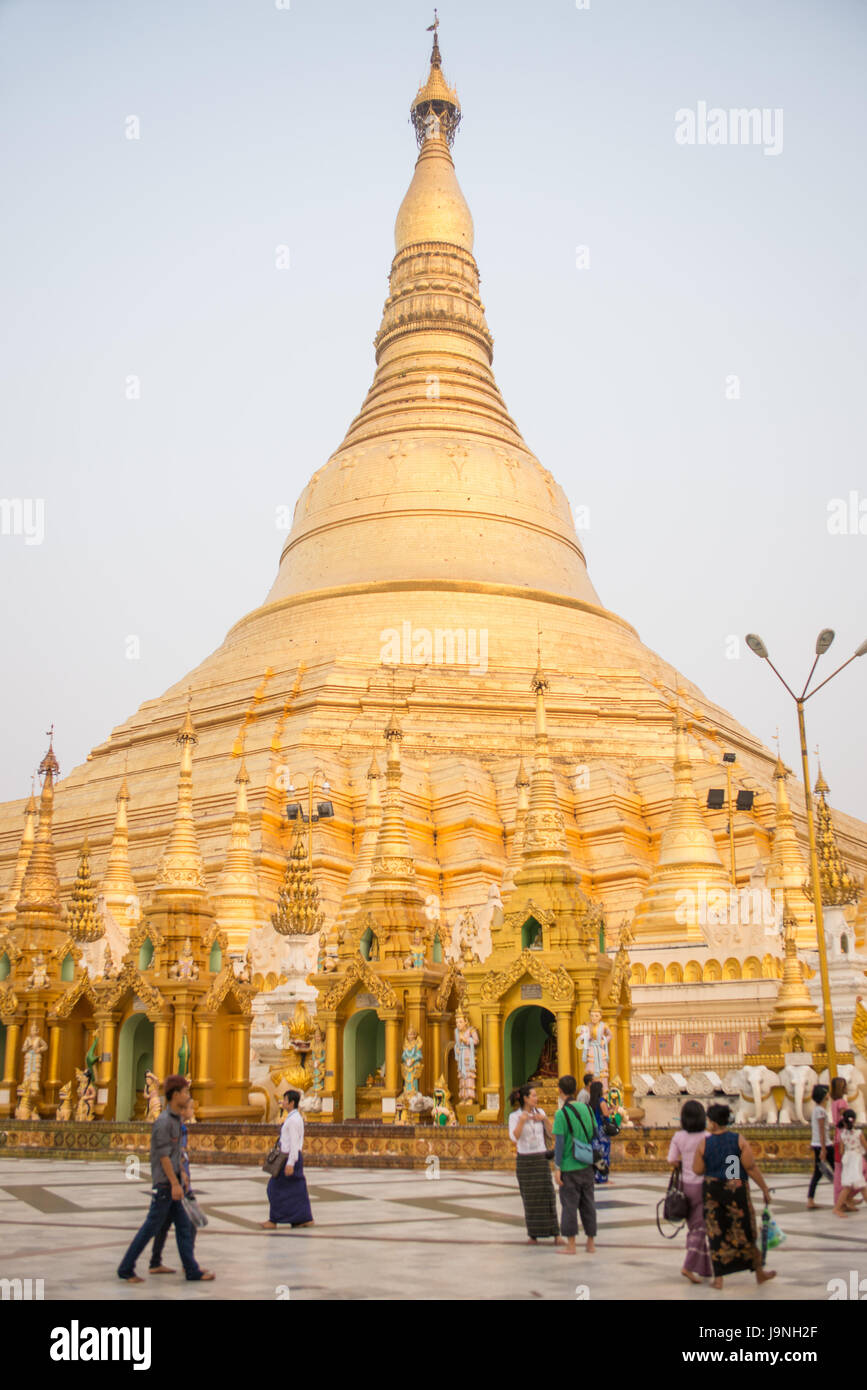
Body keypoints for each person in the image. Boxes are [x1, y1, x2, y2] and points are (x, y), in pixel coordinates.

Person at [117, 1075, 213, 1283]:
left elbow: (175, 1153)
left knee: (184, 1228)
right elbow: (163, 1156)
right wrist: (175, 1183)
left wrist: (183, 1173)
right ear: (176, 1095)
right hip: (164, 1186)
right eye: (186, 1092)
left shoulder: (176, 1120)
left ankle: (190, 1269)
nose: (188, 1096)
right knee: (150, 1228)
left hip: (173, 1183)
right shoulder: (163, 1122)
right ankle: (126, 1268)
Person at [693, 1102, 776, 1290]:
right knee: (746, 1230)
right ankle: (759, 1272)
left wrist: (713, 1164)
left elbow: (697, 1170)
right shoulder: (738, 1140)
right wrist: (764, 1189)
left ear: (713, 1123)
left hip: (713, 1192)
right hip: (736, 1191)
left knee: (716, 1232)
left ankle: (719, 1278)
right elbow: (751, 1167)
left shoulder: (704, 1143)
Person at [508, 1084, 561, 1245]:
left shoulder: (541, 1113)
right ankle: (533, 1234)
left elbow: (552, 1134)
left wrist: (544, 1119)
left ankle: (556, 1234)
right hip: (525, 1159)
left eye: (536, 1095)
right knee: (529, 1198)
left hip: (540, 1157)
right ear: (525, 1098)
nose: (536, 1098)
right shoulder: (515, 1116)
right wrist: (522, 1121)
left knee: (548, 1195)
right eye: (533, 1095)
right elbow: (514, 1137)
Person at [149, 1093, 195, 1274]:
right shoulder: (175, 1127)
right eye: (191, 1107)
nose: (193, 1110)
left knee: (163, 1225)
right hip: (174, 1184)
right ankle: (189, 1265)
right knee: (187, 1225)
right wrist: (179, 1181)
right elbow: (172, 1156)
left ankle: (155, 1261)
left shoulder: (176, 1126)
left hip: (172, 1184)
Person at [552, 1074, 598, 1256]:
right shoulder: (587, 1109)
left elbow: (560, 1143)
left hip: (569, 1166)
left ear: (560, 1090)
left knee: (569, 1205)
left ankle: (571, 1244)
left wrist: (557, 1168)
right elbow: (594, 1133)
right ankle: (591, 1242)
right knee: (588, 1203)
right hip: (586, 1164)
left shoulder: (561, 1114)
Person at [667, 1100, 712, 1284]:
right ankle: (688, 1265)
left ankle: (705, 1268)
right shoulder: (707, 1137)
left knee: (695, 1225)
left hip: (685, 1185)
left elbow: (671, 1159)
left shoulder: (678, 1136)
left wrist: (685, 1163)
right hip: (703, 1184)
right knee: (700, 1227)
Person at [261, 1089, 314, 1229]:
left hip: (289, 1158)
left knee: (274, 1188)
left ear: (291, 1103)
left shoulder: (294, 1121)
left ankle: (274, 1219)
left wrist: (290, 1163)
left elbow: (294, 1144)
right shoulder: (294, 1118)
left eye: (285, 1100)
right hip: (291, 1157)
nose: (282, 1102)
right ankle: (303, 1218)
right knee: (297, 1189)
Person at [829, 1076, 858, 1210]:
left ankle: (845, 1199)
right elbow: (845, 1120)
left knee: (840, 1171)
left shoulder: (834, 1102)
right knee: (845, 1171)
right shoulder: (841, 1103)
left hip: (837, 1138)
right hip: (843, 1139)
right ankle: (845, 1199)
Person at [832, 1109, 867, 1218]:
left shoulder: (842, 1135)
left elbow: (841, 1151)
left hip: (847, 1159)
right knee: (857, 1184)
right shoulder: (858, 1133)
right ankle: (837, 1208)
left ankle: (838, 1208)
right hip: (856, 1159)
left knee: (857, 1185)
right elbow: (865, 1146)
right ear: (854, 1120)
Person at [807, 1083, 834, 1210]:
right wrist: (823, 1149)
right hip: (825, 1145)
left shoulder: (816, 1110)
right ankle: (846, 1197)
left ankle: (810, 1199)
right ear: (824, 1095)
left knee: (818, 1173)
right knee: (838, 1171)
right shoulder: (821, 1111)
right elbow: (822, 1131)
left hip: (818, 1144)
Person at [588, 1079, 612, 1185]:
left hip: (594, 1129)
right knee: (604, 1153)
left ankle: (595, 1176)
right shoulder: (602, 1100)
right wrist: (613, 1110)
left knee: (596, 1153)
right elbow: (606, 1114)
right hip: (602, 1130)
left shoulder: (591, 1102)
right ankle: (603, 1177)